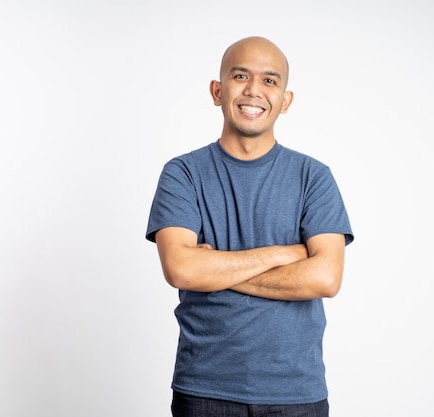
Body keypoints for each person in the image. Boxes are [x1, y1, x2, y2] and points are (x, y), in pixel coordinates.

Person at [146, 36, 354, 417]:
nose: (254, 90)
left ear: (286, 101)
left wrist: (214, 269)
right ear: (217, 90)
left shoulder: (314, 177)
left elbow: (325, 278)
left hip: (296, 393)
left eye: (270, 81)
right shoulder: (183, 174)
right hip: (204, 389)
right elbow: (180, 269)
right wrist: (282, 254)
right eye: (240, 76)